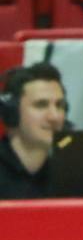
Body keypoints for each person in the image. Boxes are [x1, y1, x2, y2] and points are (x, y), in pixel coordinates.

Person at [0, 62, 67, 201]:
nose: (54, 116)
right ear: (12, 113)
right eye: (41, 105)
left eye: (59, 105)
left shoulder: (71, 174)